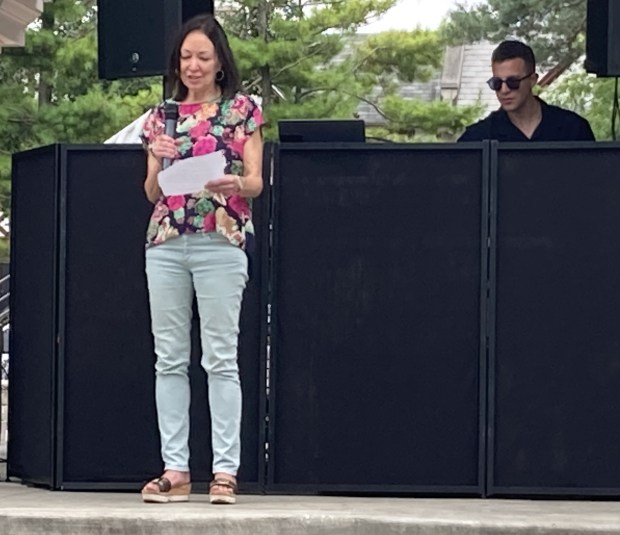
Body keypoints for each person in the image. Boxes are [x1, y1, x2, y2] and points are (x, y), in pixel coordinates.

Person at [139, 13, 264, 505]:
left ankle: (225, 470)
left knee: (220, 357)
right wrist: (161, 155)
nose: (192, 65)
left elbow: (256, 181)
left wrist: (237, 182)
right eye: (186, 56)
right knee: (169, 358)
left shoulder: (241, 110)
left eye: (203, 57)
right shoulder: (161, 116)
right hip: (167, 240)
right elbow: (151, 191)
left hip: (220, 237)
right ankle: (176, 468)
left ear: (219, 63)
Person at [458, 40, 595, 142]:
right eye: (497, 83)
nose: (504, 90)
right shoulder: (477, 138)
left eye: (513, 82)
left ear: (532, 80)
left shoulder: (573, 130)